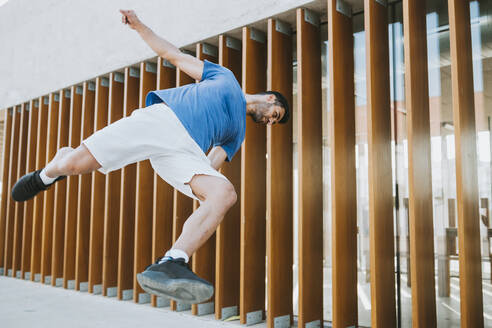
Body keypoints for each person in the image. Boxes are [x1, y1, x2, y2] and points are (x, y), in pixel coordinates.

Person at [11, 9, 289, 304]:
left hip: (185, 152)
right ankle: (49, 172)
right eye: (275, 115)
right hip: (162, 120)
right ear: (270, 98)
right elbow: (173, 55)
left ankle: (172, 261)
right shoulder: (226, 78)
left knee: (225, 193)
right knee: (74, 165)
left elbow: (210, 166)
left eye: (274, 121)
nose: (270, 121)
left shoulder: (238, 134)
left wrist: (208, 198)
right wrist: (140, 27)